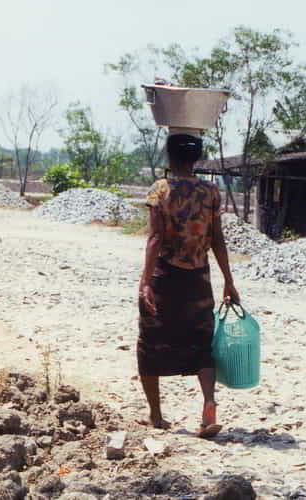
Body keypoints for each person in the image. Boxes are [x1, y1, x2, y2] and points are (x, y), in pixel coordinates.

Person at [137, 131, 239, 438]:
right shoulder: (210, 192)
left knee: (150, 342)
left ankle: (156, 414)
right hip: (199, 278)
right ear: (196, 158)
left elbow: (155, 238)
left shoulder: (160, 190)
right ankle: (208, 407)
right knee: (202, 343)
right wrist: (229, 281)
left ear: (169, 157)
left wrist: (145, 282)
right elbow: (218, 239)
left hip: (166, 277)